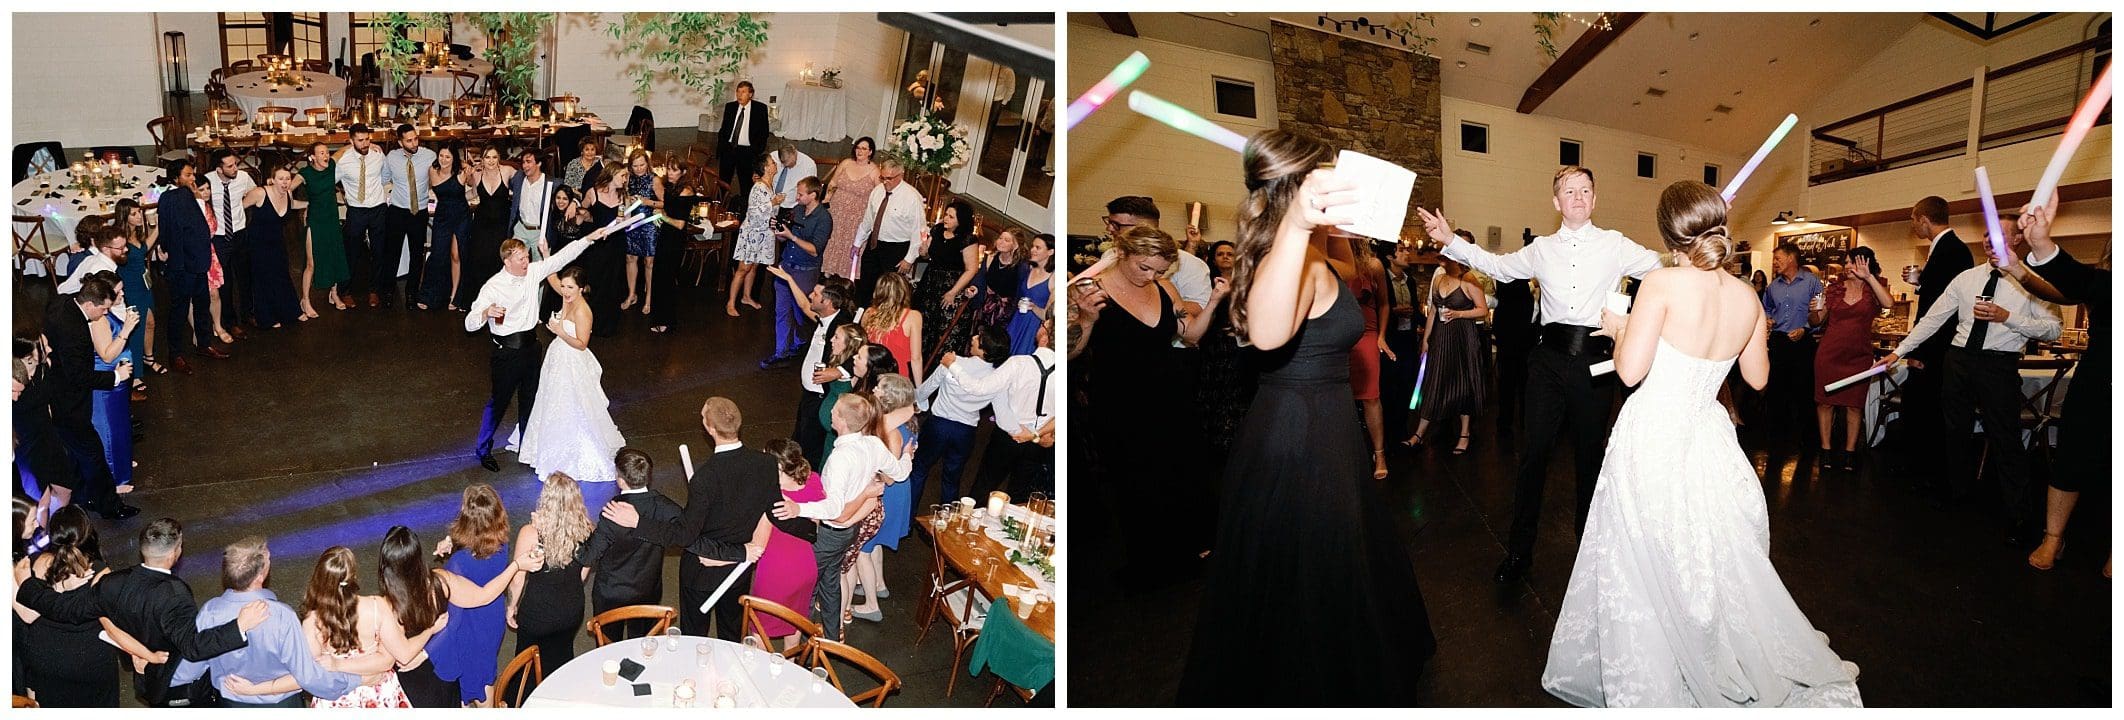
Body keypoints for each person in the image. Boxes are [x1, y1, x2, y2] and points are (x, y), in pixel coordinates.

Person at [1544, 180, 1862, 707]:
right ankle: (1712, 650)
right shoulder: (1746, 297)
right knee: (1707, 555)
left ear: (1669, 232)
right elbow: (1757, 380)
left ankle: (1664, 664)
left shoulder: (1662, 285)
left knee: (1647, 558)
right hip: (1709, 436)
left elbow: (1628, 372)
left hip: (1654, 433)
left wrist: (1618, 327)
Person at [1177, 130, 1434, 704]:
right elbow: (1268, 336)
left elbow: (1350, 274)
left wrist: (1331, 222)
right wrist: (1299, 223)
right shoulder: (1288, 254)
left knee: (1317, 559)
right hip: (1301, 434)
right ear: (1297, 189)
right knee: (1311, 565)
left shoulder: (1307, 253)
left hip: (1311, 420)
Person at [1422, 165, 1662, 584]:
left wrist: (1696, 252)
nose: (1579, 196)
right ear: (1556, 202)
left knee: (1590, 459)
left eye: (1586, 190)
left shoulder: (1615, 245)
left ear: (1594, 198)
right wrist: (1451, 241)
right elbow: (1496, 265)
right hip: (1547, 361)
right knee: (1534, 456)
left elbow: (1661, 268)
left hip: (1594, 361)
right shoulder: (1540, 249)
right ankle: (1519, 552)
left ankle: (1591, 559)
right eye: (1570, 191)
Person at [1878, 215, 2062, 547]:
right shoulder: (1967, 278)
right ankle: (1957, 493)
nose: (1992, 242)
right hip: (1958, 360)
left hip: (1998, 365)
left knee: (2005, 437)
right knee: (1954, 431)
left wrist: (2010, 318)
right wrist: (1900, 351)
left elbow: (2054, 328)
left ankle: (2018, 514)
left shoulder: (2033, 282)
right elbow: (1934, 317)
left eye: (2001, 236)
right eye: (1989, 237)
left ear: (2018, 240)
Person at [1072, 225, 1211, 577]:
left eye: (1159, 271)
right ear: (1122, 253)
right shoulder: (1090, 289)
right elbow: (1070, 351)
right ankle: (1144, 563)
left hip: (1169, 396)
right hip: (1118, 403)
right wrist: (1087, 320)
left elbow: (1189, 335)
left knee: (1176, 472)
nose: (1150, 276)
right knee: (1133, 481)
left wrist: (1218, 302)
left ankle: (1179, 551)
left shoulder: (1164, 288)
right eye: (1144, 267)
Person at [598, 397, 774, 640]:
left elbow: (684, 535)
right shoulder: (766, 463)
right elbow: (771, 512)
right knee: (732, 633)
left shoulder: (705, 478)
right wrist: (748, 551)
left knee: (694, 635)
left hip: (700, 573)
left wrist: (639, 522)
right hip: (738, 572)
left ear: (710, 428)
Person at [464, 218, 616, 473]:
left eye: (527, 256)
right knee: (498, 402)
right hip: (507, 352)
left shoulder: (533, 272)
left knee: (530, 400)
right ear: (507, 262)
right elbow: (469, 323)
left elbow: (561, 258)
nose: (526, 262)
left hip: (532, 349)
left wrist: (589, 238)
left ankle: (528, 445)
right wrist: (486, 312)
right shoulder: (493, 286)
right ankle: (483, 449)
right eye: (521, 259)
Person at [2008, 195, 2109, 575]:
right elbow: (2075, 282)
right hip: (2097, 383)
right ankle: (2053, 537)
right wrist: (2041, 245)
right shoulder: (2104, 284)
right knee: (2071, 459)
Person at [166, 536, 365, 708]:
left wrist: (152, 674)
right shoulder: (282, 616)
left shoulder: (211, 612)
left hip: (233, 706)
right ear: (260, 576)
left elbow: (190, 667)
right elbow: (308, 676)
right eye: (268, 559)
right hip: (282, 706)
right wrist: (354, 680)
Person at [773, 393, 909, 642]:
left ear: (843, 422)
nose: (830, 412)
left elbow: (834, 508)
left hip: (829, 534)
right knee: (831, 581)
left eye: (834, 410)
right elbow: (899, 473)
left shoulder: (838, 460)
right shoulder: (874, 444)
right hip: (850, 531)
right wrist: (908, 455)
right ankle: (833, 639)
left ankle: (802, 639)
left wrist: (798, 509)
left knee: (809, 586)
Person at [92, 518, 267, 707]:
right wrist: (239, 626)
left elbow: (96, 609)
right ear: (174, 554)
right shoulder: (174, 594)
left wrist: (135, 652)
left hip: (147, 680)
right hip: (174, 683)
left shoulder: (112, 582)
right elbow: (192, 647)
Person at [220, 547, 425, 708]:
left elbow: (302, 678)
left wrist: (255, 689)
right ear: (353, 575)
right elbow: (393, 658)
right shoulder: (377, 606)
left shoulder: (314, 622)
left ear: (319, 578)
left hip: (336, 700)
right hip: (380, 696)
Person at [375, 525, 517, 708]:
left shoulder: (387, 605)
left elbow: (399, 656)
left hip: (413, 681)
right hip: (444, 667)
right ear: (418, 557)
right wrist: (516, 565)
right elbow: (483, 596)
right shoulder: (441, 581)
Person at [516, 267, 627, 486]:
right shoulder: (567, 297)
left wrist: (560, 332)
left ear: (581, 288)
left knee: (571, 403)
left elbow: (582, 344)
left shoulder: (583, 311)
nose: (565, 291)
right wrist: (547, 255)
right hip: (558, 357)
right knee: (551, 400)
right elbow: (552, 277)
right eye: (564, 287)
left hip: (573, 360)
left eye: (570, 288)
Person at [1898, 195, 1976, 499]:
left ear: (1923, 219)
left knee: (1931, 414)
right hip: (1935, 346)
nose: (1914, 227)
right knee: (1922, 411)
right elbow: (1936, 296)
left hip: (1937, 349)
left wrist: (1920, 353)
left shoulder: (1952, 251)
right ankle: (1922, 470)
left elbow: (1942, 311)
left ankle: (1936, 478)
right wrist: (1920, 283)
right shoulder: (1946, 250)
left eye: (1914, 221)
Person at [42, 274, 137, 520]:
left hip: (56, 393)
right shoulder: (75, 332)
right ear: (90, 305)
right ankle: (110, 505)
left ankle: (84, 496)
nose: (105, 314)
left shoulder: (61, 303)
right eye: (103, 309)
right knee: (93, 454)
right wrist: (115, 377)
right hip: (71, 404)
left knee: (75, 454)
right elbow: (80, 377)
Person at [428, 484, 531, 707]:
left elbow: (472, 590)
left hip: (466, 622)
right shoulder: (501, 544)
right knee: (485, 668)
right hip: (491, 618)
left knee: (465, 671)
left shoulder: (459, 563)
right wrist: (452, 541)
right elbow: (480, 544)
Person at [505, 472, 595, 697]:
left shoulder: (532, 533)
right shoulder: (588, 530)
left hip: (537, 614)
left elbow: (518, 578)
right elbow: (583, 573)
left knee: (526, 663)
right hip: (571, 609)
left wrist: (511, 607)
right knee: (560, 656)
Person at [945, 322, 1059, 497]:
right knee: (1020, 496)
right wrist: (1037, 434)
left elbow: (979, 388)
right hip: (1038, 442)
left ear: (1045, 336)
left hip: (1008, 436)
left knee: (984, 487)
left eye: (1043, 324)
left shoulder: (1018, 363)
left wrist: (952, 365)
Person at [579, 449, 680, 630]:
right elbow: (684, 532)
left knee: (609, 644)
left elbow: (588, 556)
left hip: (612, 593)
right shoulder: (664, 506)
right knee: (642, 643)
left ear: (620, 480)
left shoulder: (613, 512)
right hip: (647, 590)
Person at [1809, 247, 1890, 470]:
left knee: (1854, 405)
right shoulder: (1834, 289)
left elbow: (1889, 304)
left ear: (1867, 264)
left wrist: (1869, 277)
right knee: (1825, 403)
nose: (1847, 267)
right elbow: (1816, 321)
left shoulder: (1874, 288)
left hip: (1859, 356)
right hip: (1829, 354)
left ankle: (1850, 452)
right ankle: (1825, 450)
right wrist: (1814, 311)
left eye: (1852, 262)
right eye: (1846, 263)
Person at [848, 374, 919, 619]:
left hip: (887, 494)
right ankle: (878, 585)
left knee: (861, 549)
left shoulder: (891, 432)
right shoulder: (906, 424)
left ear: (888, 398)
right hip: (899, 493)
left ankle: (870, 605)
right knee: (874, 542)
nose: (874, 390)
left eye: (879, 388)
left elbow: (889, 476)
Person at [1406, 250, 1490, 455]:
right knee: (1434, 380)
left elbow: (1483, 310)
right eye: (1440, 258)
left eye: (1444, 257)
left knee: (1463, 382)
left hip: (1463, 337)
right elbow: (1434, 311)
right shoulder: (1438, 280)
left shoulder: (1468, 280)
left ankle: (1464, 433)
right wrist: (1426, 339)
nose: (1440, 261)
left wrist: (1459, 313)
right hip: (1441, 337)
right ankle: (1418, 433)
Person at [912, 329, 1001, 506]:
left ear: (984, 351)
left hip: (938, 425)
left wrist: (919, 403)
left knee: (919, 470)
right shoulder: (996, 377)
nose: (973, 337)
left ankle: (905, 523)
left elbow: (925, 390)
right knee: (952, 479)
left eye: (979, 338)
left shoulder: (951, 361)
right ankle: (947, 525)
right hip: (965, 432)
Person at [751, 439, 823, 652]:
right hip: (805, 568)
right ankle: (790, 670)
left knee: (759, 632)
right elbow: (816, 523)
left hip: (775, 572)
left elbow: (758, 543)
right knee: (794, 626)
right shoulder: (814, 481)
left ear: (778, 466)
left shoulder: (770, 498)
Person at [157, 159, 228, 371]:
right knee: (179, 310)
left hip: (200, 262)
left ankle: (204, 343)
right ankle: (175, 353)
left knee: (202, 306)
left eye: (193, 174)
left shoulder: (193, 197)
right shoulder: (170, 198)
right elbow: (167, 230)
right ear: (176, 177)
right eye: (187, 175)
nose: (192, 179)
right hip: (182, 266)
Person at [789, 278, 858, 466]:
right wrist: (788, 278)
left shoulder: (841, 325)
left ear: (827, 302)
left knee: (810, 448)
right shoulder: (826, 320)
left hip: (819, 397)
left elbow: (859, 350)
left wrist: (838, 371)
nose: (811, 295)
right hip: (809, 394)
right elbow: (804, 305)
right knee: (799, 439)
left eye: (816, 294)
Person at [78, 270, 136, 493]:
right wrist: (127, 330)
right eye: (118, 290)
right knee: (109, 430)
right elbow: (107, 355)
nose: (122, 294)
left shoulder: (105, 314)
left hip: (117, 380)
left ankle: (121, 464)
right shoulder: (100, 320)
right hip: (106, 382)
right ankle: (114, 478)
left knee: (120, 425)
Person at [1341, 234, 1394, 478]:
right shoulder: (1329, 262)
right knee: (1340, 397)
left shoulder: (1373, 265)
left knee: (1371, 395)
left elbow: (1384, 304)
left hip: (1367, 334)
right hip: (1338, 336)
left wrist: (1381, 336)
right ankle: (1345, 454)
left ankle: (1379, 453)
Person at [1761, 242, 1824, 445]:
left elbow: (1821, 313)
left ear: (1791, 258)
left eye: (1778, 258)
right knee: (1777, 390)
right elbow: (1767, 308)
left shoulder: (1812, 282)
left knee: (1804, 390)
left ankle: (1807, 440)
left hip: (1803, 341)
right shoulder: (1773, 287)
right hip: (1779, 341)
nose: (1775, 263)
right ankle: (1777, 437)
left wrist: (1805, 327)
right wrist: (1768, 318)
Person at [764, 176, 830, 365]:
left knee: (803, 312)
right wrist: (779, 233)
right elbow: (784, 238)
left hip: (805, 271)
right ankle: (781, 351)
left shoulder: (824, 219)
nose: (797, 197)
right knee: (782, 311)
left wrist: (791, 237)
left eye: (801, 194)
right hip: (786, 267)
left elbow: (815, 249)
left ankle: (801, 341)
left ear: (813, 195)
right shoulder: (796, 210)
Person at [851, 158, 927, 305]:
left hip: (896, 250)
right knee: (866, 287)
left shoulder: (912, 197)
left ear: (901, 175)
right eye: (882, 177)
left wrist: (909, 259)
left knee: (887, 292)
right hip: (874, 245)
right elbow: (868, 219)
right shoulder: (877, 191)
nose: (885, 182)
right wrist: (857, 242)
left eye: (889, 178)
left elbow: (919, 230)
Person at [239, 165, 308, 328]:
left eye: (288, 179)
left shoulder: (288, 193)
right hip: (258, 243)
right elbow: (239, 208)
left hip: (277, 241)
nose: (285, 183)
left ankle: (291, 311)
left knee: (282, 274)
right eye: (281, 179)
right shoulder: (260, 193)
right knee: (263, 278)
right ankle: (267, 317)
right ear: (272, 180)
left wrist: (310, 203)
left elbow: (292, 205)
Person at [915, 200, 979, 363]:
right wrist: (923, 252)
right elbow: (927, 255)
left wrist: (953, 292)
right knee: (924, 324)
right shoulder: (937, 230)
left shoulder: (967, 240)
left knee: (942, 331)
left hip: (950, 285)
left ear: (961, 220)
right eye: (946, 214)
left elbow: (971, 269)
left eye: (951, 217)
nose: (946, 219)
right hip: (930, 282)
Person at [201, 149, 257, 333]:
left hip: (240, 232)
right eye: (230, 166)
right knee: (225, 283)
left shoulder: (243, 177)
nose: (235, 168)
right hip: (219, 236)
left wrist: (242, 206)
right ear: (219, 169)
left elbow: (254, 191)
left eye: (235, 164)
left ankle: (248, 314)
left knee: (245, 277)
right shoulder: (207, 181)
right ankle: (230, 321)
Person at [383, 123, 437, 308]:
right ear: (400, 142)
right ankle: (388, 291)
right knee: (392, 253)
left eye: (415, 139)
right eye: (409, 140)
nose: (414, 143)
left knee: (416, 254)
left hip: (419, 211)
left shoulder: (429, 156)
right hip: (397, 211)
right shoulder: (392, 157)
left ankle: (412, 293)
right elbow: (383, 179)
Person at [110, 200, 163, 380]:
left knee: (150, 323)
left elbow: (143, 250)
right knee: (136, 330)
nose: (139, 216)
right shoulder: (119, 238)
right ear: (125, 217)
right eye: (134, 214)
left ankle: (148, 358)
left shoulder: (136, 233)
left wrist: (157, 229)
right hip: (130, 288)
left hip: (144, 285)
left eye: (139, 212)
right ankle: (136, 373)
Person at [295, 143, 351, 314]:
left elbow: (342, 150)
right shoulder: (305, 174)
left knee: (334, 255)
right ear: (312, 157)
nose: (326, 155)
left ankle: (333, 294)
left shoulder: (331, 166)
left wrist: (370, 145)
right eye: (321, 153)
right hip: (316, 221)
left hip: (332, 219)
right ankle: (305, 300)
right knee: (312, 262)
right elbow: (287, 187)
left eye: (327, 152)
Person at [454, 145, 512, 311]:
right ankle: (476, 301)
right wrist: (452, 200)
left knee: (498, 260)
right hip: (482, 223)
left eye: (494, 157)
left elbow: (525, 181)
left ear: (499, 159)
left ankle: (500, 301)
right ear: (483, 159)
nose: (491, 161)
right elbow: (471, 192)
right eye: (488, 157)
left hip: (501, 223)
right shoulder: (477, 175)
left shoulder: (507, 171)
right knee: (478, 259)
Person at [1491, 233, 1538, 434]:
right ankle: (1505, 422)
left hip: (1530, 336)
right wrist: (1532, 284)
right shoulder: (1512, 265)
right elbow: (1506, 291)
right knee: (1509, 381)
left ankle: (1526, 422)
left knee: (1528, 383)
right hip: (1510, 336)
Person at [1379, 242, 1426, 442]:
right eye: (1401, 250)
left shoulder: (1410, 281)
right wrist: (1394, 312)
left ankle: (1401, 431)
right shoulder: (1381, 279)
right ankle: (1387, 435)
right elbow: (1377, 308)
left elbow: (1415, 309)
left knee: (1407, 385)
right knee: (1389, 387)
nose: (1407, 253)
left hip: (1408, 340)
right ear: (1390, 257)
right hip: (1390, 340)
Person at [336, 125, 388, 306]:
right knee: (352, 252)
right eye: (360, 140)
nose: (365, 143)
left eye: (367, 139)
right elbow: (329, 180)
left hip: (378, 208)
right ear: (351, 141)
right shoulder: (344, 161)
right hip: (357, 210)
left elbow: (385, 176)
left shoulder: (378, 155)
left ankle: (374, 290)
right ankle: (345, 290)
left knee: (379, 251)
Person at [421, 145, 475, 311]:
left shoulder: (461, 172)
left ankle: (455, 296)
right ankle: (430, 295)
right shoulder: (432, 170)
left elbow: (474, 187)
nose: (443, 160)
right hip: (442, 215)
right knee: (438, 253)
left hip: (461, 215)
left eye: (447, 157)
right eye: (441, 156)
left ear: (454, 159)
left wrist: (470, 171)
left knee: (457, 255)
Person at [822, 137, 880, 280]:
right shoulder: (846, 163)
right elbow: (833, 182)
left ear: (870, 152)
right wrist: (827, 199)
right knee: (833, 239)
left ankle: (847, 276)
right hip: (837, 210)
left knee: (850, 242)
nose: (860, 151)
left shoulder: (874, 171)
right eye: (858, 147)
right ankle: (827, 271)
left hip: (857, 215)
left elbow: (879, 195)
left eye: (864, 148)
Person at [729, 153, 780, 316]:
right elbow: (754, 212)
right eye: (772, 163)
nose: (775, 164)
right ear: (766, 168)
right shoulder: (758, 188)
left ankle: (746, 296)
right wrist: (772, 203)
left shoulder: (770, 185)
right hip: (753, 233)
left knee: (755, 266)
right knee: (743, 268)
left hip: (764, 233)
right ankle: (730, 302)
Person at [619, 147, 663, 314]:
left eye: (641, 165)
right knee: (630, 258)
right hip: (631, 222)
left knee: (649, 262)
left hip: (649, 224)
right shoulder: (628, 178)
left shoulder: (654, 180)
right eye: (635, 166)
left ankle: (649, 298)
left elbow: (665, 203)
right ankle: (632, 294)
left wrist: (647, 202)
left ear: (647, 164)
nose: (638, 169)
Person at [715, 80, 772, 207]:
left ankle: (745, 207)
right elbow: (724, 129)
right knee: (724, 180)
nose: (740, 95)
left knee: (746, 182)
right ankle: (719, 205)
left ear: (750, 94)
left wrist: (756, 151)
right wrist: (722, 146)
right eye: (738, 92)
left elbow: (764, 132)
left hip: (747, 151)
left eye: (743, 92)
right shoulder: (730, 107)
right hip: (729, 149)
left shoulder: (760, 109)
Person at [967, 228, 1028, 346]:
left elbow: (1021, 291)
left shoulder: (1021, 267)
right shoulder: (991, 257)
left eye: (1007, 240)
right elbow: (981, 278)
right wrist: (974, 288)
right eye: (1000, 238)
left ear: (1015, 245)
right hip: (986, 307)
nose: (1001, 242)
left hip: (1004, 313)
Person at [858, 272, 923, 381]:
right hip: (896, 378)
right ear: (903, 291)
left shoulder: (868, 313)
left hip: (871, 376)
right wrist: (919, 389)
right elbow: (916, 358)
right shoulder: (912, 316)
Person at [1008, 233, 1056, 355]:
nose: (1032, 250)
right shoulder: (1027, 268)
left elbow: (1048, 315)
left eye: (1038, 248)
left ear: (1050, 252)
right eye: (1032, 246)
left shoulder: (1054, 278)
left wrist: (1033, 307)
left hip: (1033, 327)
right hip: (1017, 320)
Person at [508, 149, 558, 263]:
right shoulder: (519, 179)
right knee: (514, 262)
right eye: (523, 162)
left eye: (528, 161)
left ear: (539, 163)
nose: (525, 165)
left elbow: (571, 193)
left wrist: (574, 203)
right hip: (521, 228)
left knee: (539, 270)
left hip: (540, 232)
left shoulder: (551, 183)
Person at [768, 143, 818, 213]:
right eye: (783, 163)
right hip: (770, 202)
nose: (786, 166)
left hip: (793, 206)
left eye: (791, 164)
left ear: (795, 153)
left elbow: (811, 189)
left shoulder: (809, 165)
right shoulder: (772, 157)